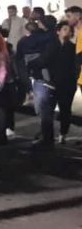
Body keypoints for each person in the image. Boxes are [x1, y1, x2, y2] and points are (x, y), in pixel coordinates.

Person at [28, 18, 75, 148]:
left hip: (67, 84)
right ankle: (47, 136)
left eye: (69, 30)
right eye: (65, 29)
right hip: (52, 83)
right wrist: (31, 65)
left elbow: (75, 66)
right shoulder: (51, 46)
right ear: (58, 31)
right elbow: (43, 61)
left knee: (65, 110)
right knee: (47, 111)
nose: (68, 32)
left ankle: (62, 134)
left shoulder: (72, 48)